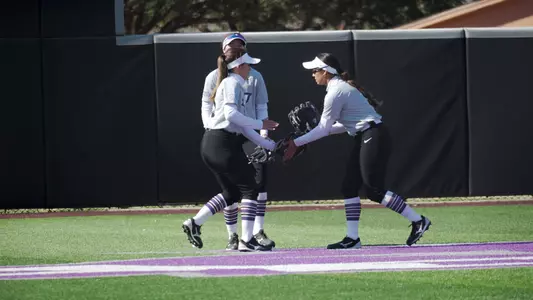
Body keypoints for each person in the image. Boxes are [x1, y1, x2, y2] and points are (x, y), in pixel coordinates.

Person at [283, 53, 432, 249]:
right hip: (366, 134)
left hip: (373, 134)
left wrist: (297, 142)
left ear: (326, 72)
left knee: (374, 190)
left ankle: (418, 220)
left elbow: (324, 128)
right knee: (349, 187)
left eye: (315, 70)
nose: (313, 74)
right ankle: (352, 238)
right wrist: (305, 138)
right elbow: (339, 126)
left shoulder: (336, 91)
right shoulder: (337, 88)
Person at [182, 48, 279, 252]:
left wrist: (270, 145)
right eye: (248, 64)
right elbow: (231, 115)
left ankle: (195, 223)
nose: (250, 68)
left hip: (214, 143)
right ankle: (246, 240)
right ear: (240, 66)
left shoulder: (234, 82)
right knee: (250, 188)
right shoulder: (233, 82)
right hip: (221, 143)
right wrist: (260, 122)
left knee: (231, 192)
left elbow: (242, 126)